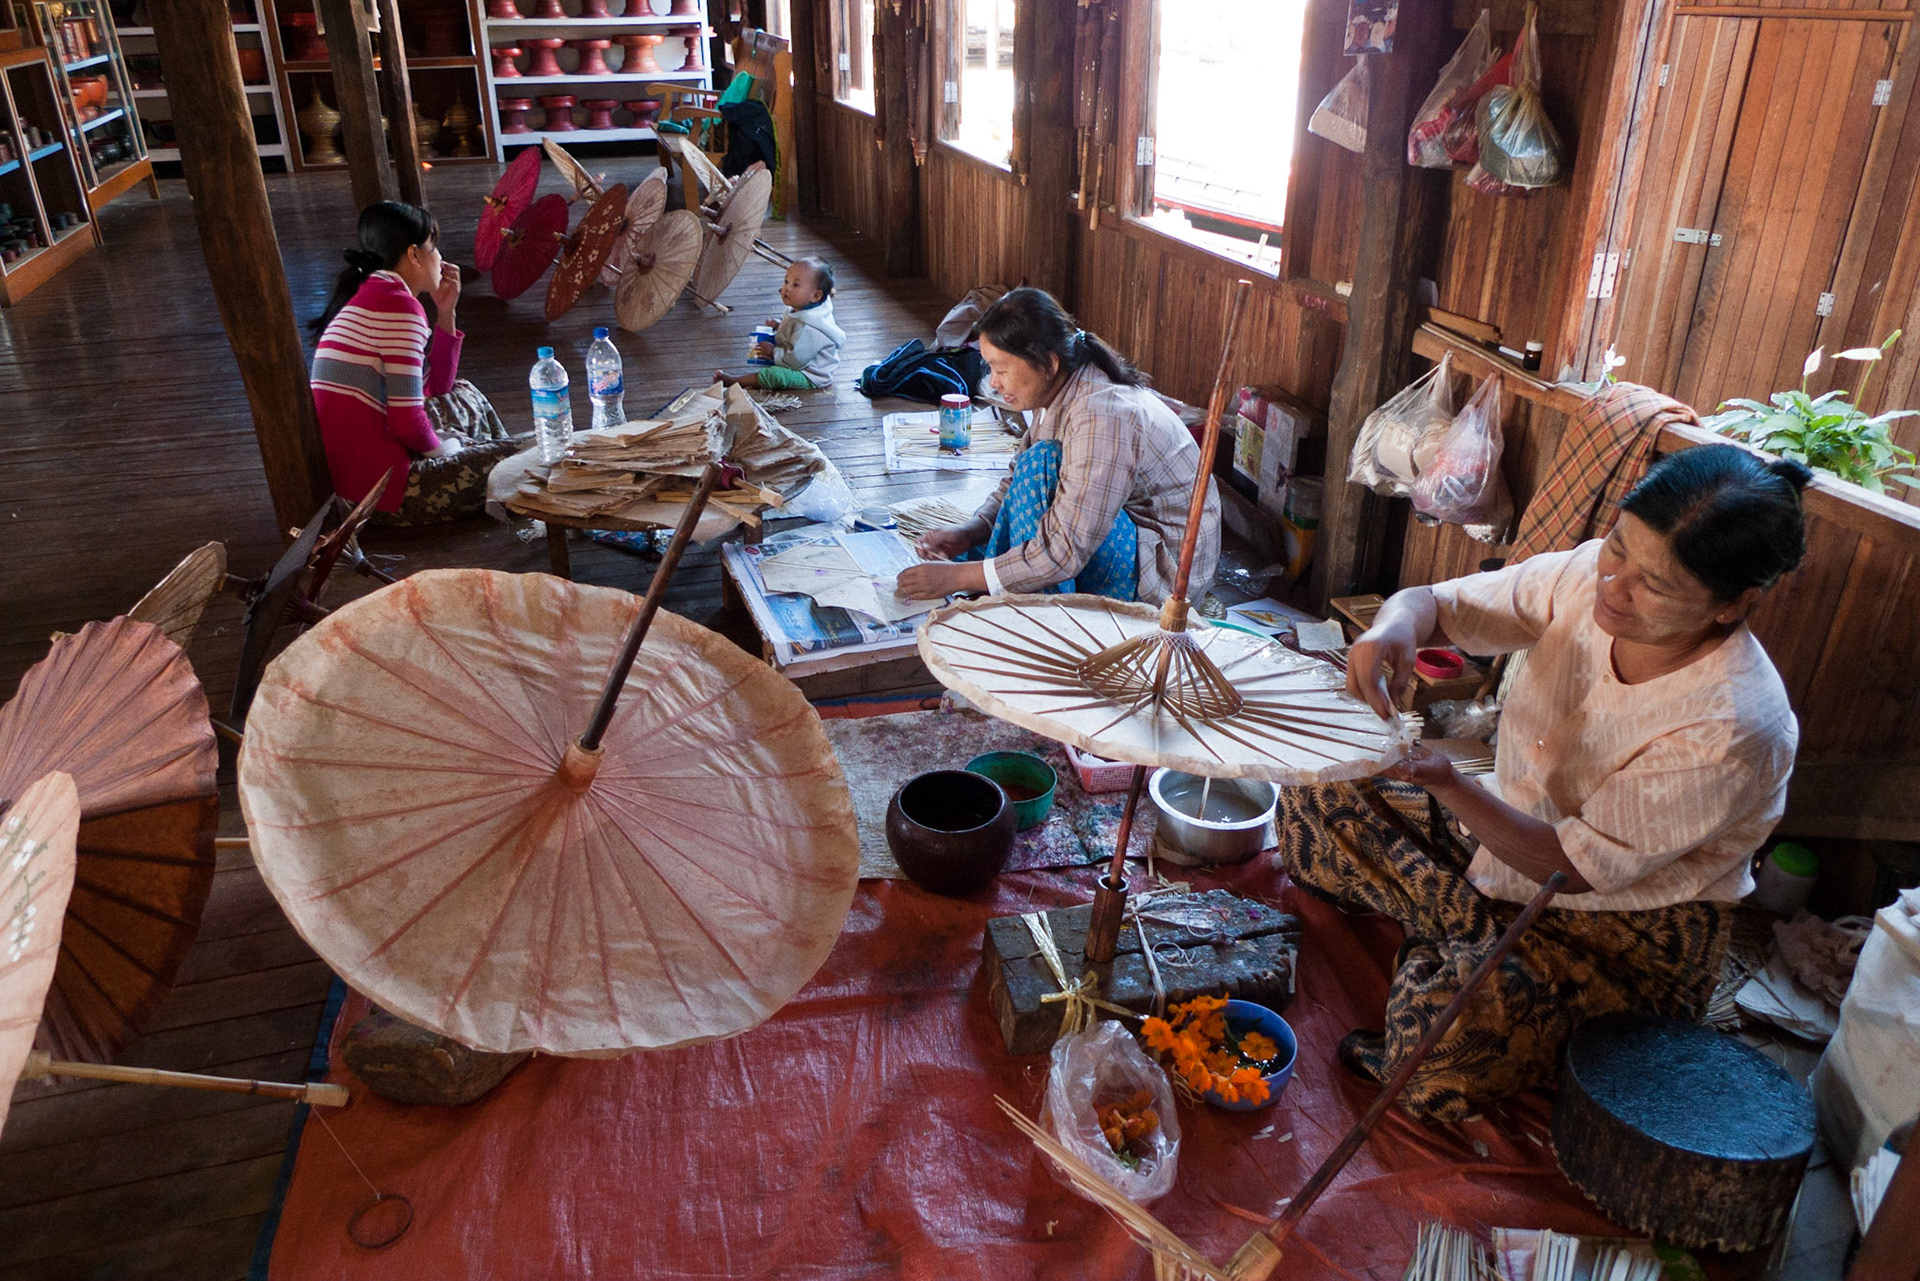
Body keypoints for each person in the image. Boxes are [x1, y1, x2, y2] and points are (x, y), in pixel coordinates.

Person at [1279, 444, 1809, 1121]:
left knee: (1434, 1055)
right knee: (1313, 788)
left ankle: (1456, 945)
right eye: (1618, 547)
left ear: (1734, 604)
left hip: (1614, 932)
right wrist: (1392, 629)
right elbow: (1438, 603)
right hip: (1499, 842)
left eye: (1656, 585)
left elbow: (1571, 866)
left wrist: (1444, 780)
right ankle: (1460, 936)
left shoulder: (1735, 725)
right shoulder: (1590, 574)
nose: (1614, 586)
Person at [893, 288, 1219, 605]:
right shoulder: (1058, 391)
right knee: (1034, 469)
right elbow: (1014, 481)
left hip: (1164, 575)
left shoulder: (1101, 415)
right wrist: (969, 532)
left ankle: (1045, 610)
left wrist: (957, 578)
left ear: (1048, 364)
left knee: (1043, 465)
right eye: (991, 367)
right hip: (1123, 538)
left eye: (1002, 369)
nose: (993, 382)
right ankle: (1023, 591)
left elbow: (1063, 552)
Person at [310, 201, 515, 525]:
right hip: (379, 495)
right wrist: (445, 452)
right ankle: (502, 486)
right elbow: (406, 421)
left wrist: (446, 312)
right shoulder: (401, 309)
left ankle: (489, 471)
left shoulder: (371, 295)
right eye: (434, 247)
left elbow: (438, 388)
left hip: (356, 481)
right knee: (524, 457)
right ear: (413, 254)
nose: (441, 258)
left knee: (464, 394)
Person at [713, 257, 845, 390]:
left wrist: (773, 353)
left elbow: (795, 360)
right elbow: (795, 323)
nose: (787, 288)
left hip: (811, 373)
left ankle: (736, 382)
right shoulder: (804, 307)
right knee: (767, 344)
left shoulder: (811, 329)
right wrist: (780, 324)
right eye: (786, 281)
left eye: (795, 285)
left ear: (815, 296)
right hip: (799, 356)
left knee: (774, 375)